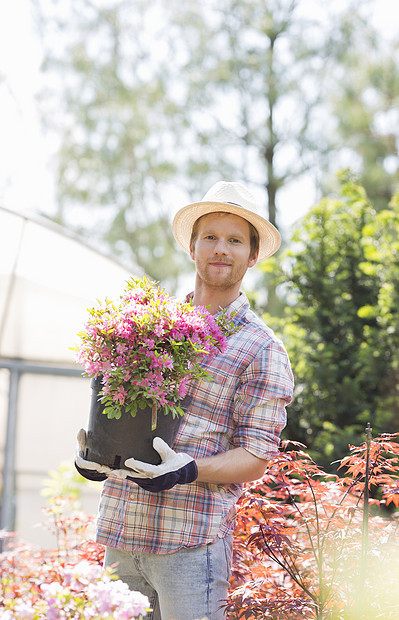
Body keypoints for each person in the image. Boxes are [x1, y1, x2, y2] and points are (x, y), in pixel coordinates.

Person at [75, 181, 294, 620]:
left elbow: (256, 455)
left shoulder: (262, 348)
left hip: (189, 547)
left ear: (252, 256)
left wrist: (188, 470)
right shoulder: (150, 326)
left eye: (235, 240)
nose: (221, 249)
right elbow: (119, 407)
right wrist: (97, 453)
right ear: (192, 246)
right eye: (210, 237)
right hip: (122, 533)